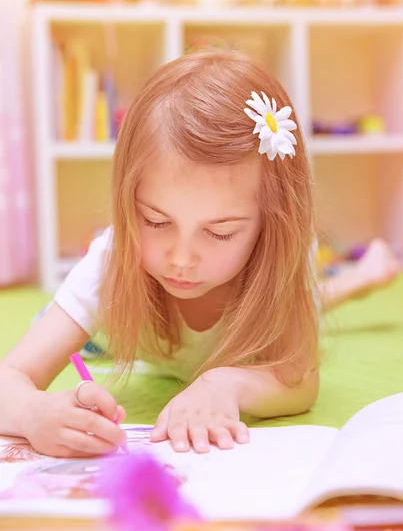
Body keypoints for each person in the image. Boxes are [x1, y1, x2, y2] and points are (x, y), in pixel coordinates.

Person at [0, 50, 321, 457]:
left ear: (270, 224)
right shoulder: (112, 260)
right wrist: (33, 412)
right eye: (155, 221)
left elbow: (300, 379)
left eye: (220, 233)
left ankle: (358, 280)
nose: (182, 259)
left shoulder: (280, 259)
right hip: (115, 328)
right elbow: (8, 377)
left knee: (321, 299)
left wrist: (225, 383)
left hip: (281, 281)